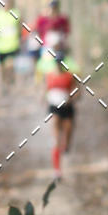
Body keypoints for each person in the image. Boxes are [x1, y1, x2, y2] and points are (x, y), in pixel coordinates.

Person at [37, 32, 79, 179]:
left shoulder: (69, 76)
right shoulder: (50, 75)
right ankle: (57, 170)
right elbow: (44, 89)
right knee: (55, 138)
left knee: (67, 134)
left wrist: (71, 98)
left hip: (67, 108)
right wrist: (43, 99)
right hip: (54, 107)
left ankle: (66, 147)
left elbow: (77, 92)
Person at [0, 0, 21, 84]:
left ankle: (11, 81)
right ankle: (3, 81)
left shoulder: (15, 13)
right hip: (0, 46)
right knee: (2, 67)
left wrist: (20, 38)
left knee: (10, 65)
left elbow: (19, 25)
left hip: (12, 45)